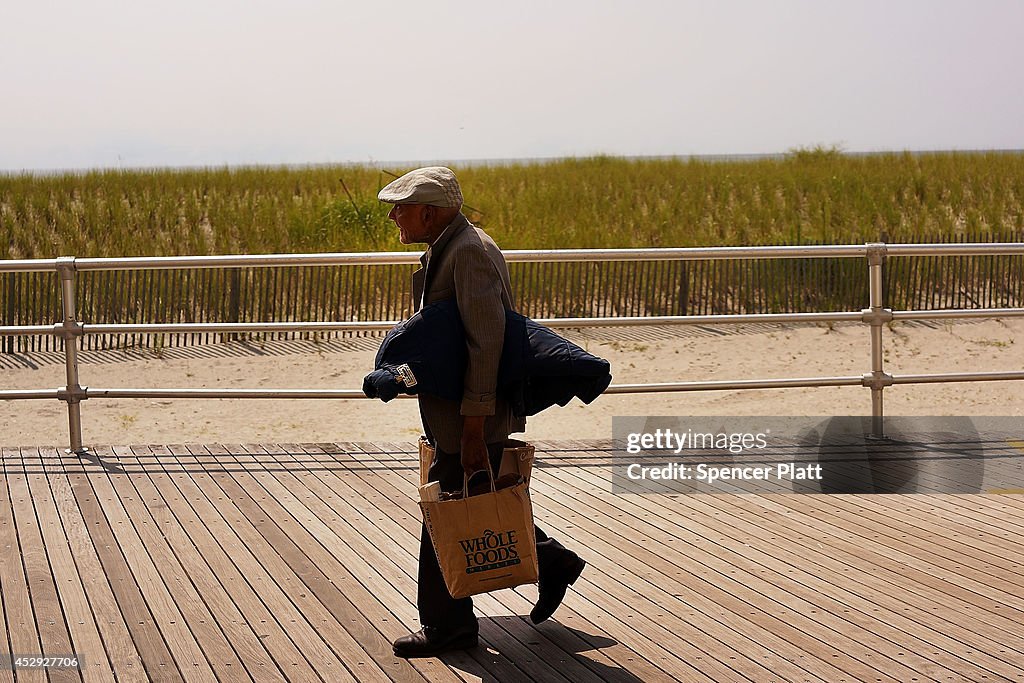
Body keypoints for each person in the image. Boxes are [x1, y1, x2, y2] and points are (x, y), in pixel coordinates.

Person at [378, 166, 586, 658]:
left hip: (473, 415)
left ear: (429, 212)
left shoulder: (468, 253)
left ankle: (448, 628)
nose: (393, 216)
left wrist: (473, 428)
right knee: (469, 503)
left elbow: (486, 345)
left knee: (446, 512)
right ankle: (551, 561)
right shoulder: (449, 247)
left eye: (400, 207)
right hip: (464, 413)